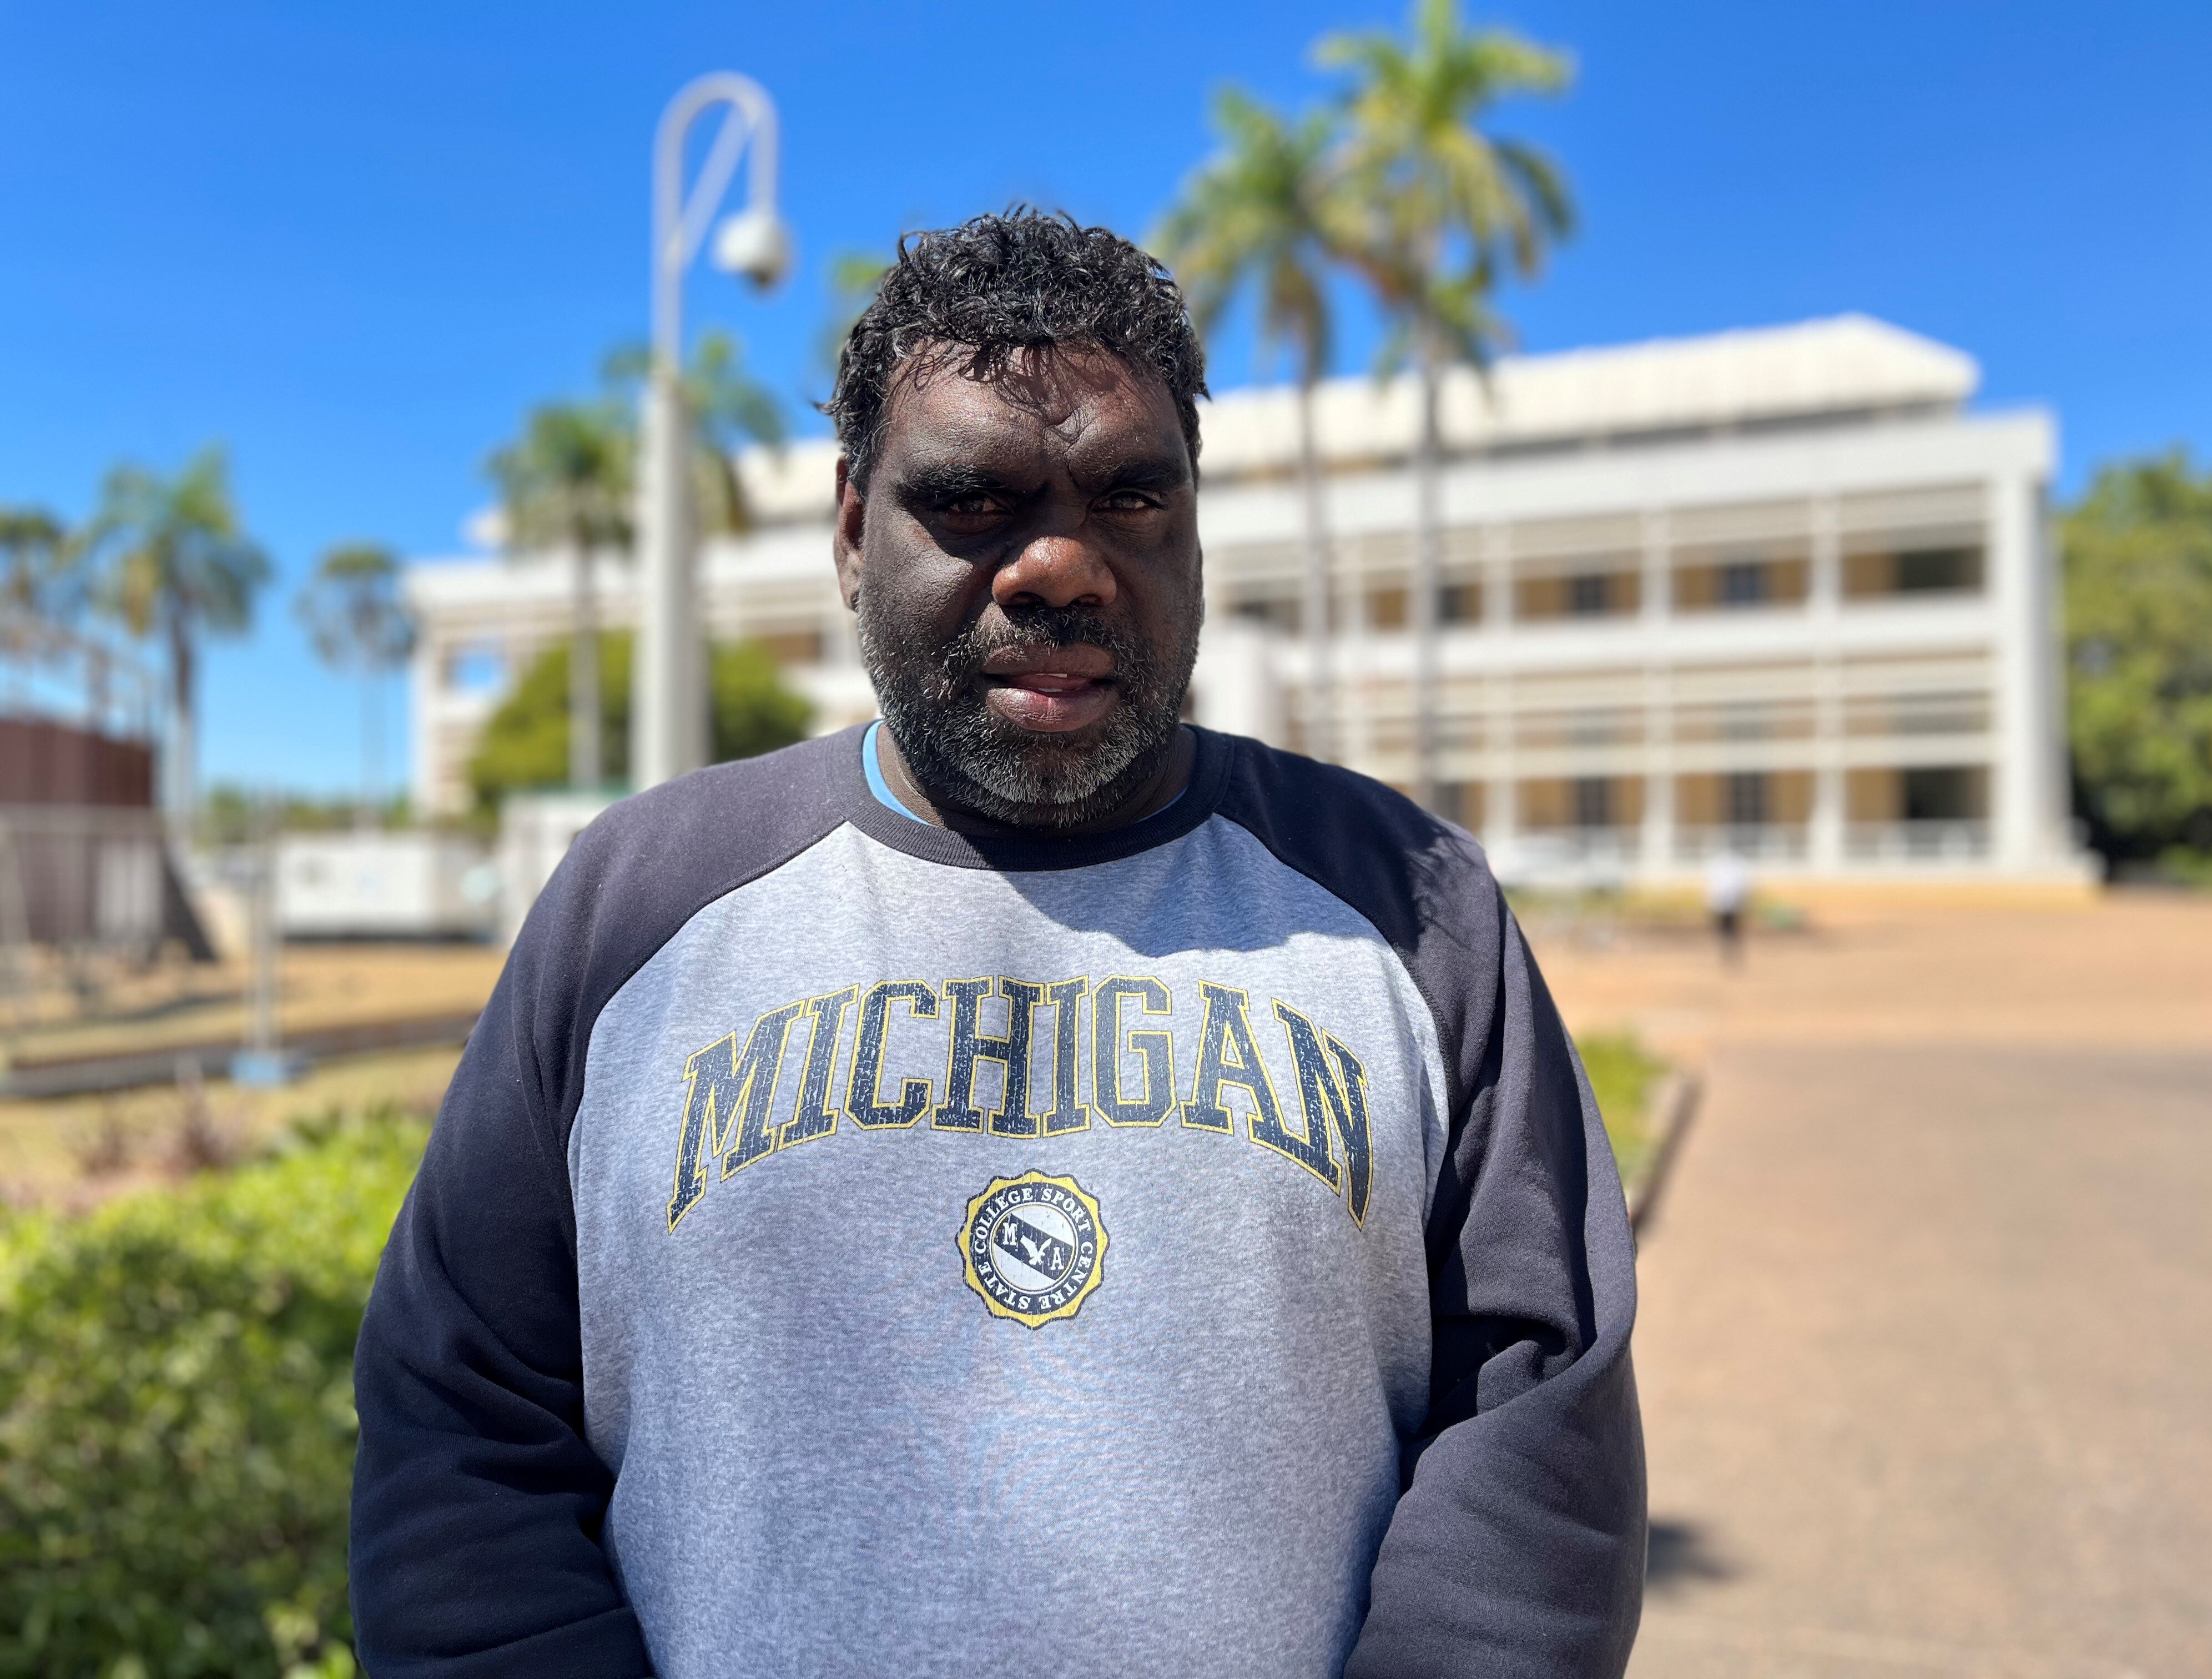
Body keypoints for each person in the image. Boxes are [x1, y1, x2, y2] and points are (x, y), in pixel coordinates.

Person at [350, 210, 1645, 1678]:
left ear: (1196, 527)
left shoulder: (1412, 907)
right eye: (975, 500)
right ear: (855, 532)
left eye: (1131, 497)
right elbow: (464, 1428)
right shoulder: (639, 901)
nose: (1062, 567)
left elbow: (1533, 1444)